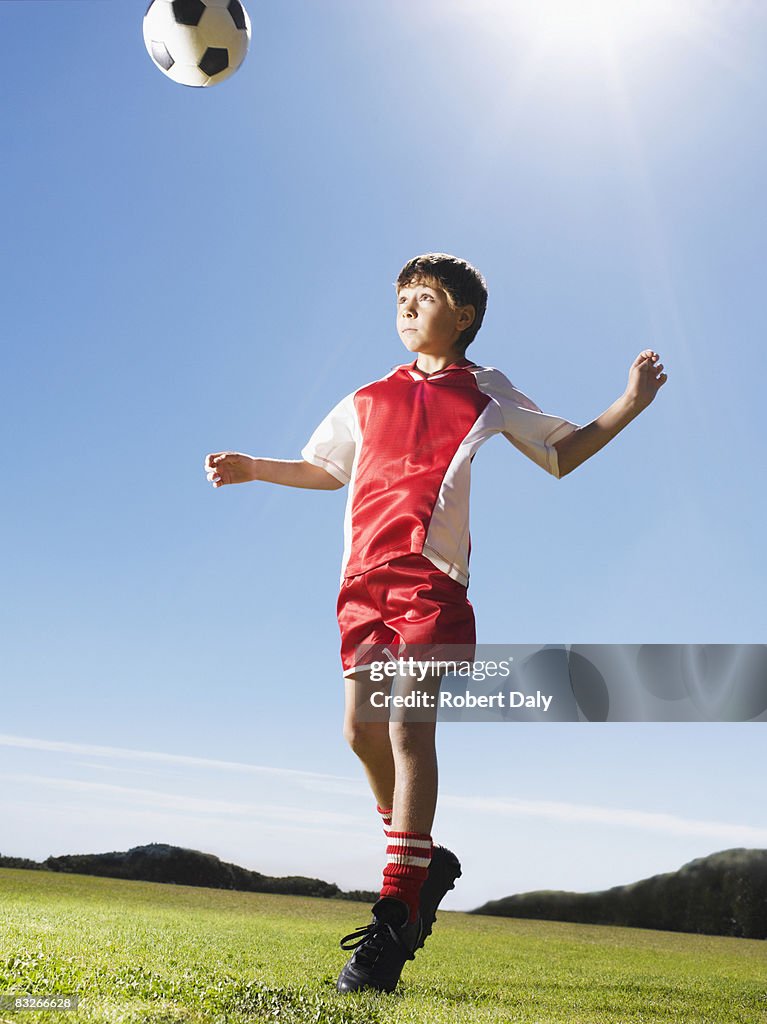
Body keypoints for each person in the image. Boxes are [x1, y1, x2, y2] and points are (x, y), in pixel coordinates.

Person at [204, 253, 668, 993]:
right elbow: (326, 470)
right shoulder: (366, 397)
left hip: (430, 584)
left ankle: (392, 921)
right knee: (358, 731)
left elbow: (561, 453)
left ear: (464, 316)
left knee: (405, 730)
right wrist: (256, 466)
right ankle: (423, 861)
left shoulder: (485, 390)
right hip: (360, 585)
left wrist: (628, 402)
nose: (407, 308)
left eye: (424, 298)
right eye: (401, 298)